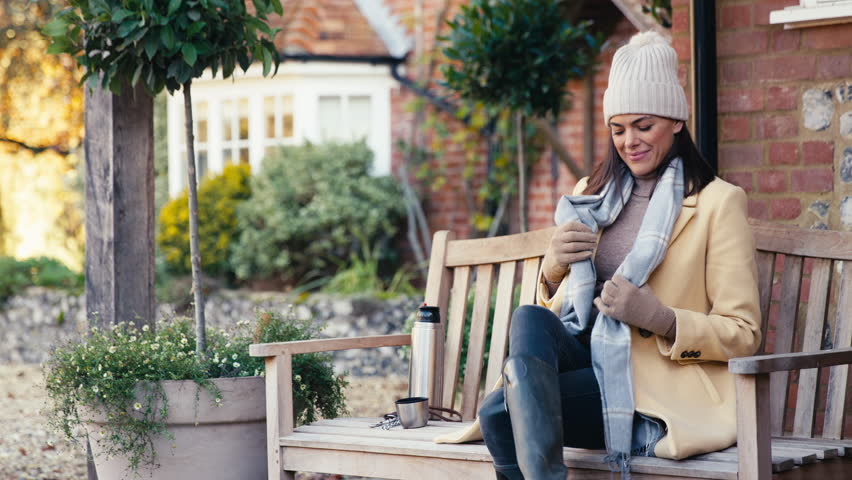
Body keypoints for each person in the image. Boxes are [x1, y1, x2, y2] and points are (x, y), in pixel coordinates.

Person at [433, 31, 762, 480]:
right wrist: (552, 268)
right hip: (584, 354)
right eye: (618, 128)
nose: (629, 142)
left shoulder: (717, 203)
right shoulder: (590, 195)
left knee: (497, 414)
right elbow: (561, 312)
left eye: (644, 126)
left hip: (650, 381)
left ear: (677, 121)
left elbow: (743, 333)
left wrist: (662, 318)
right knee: (530, 317)